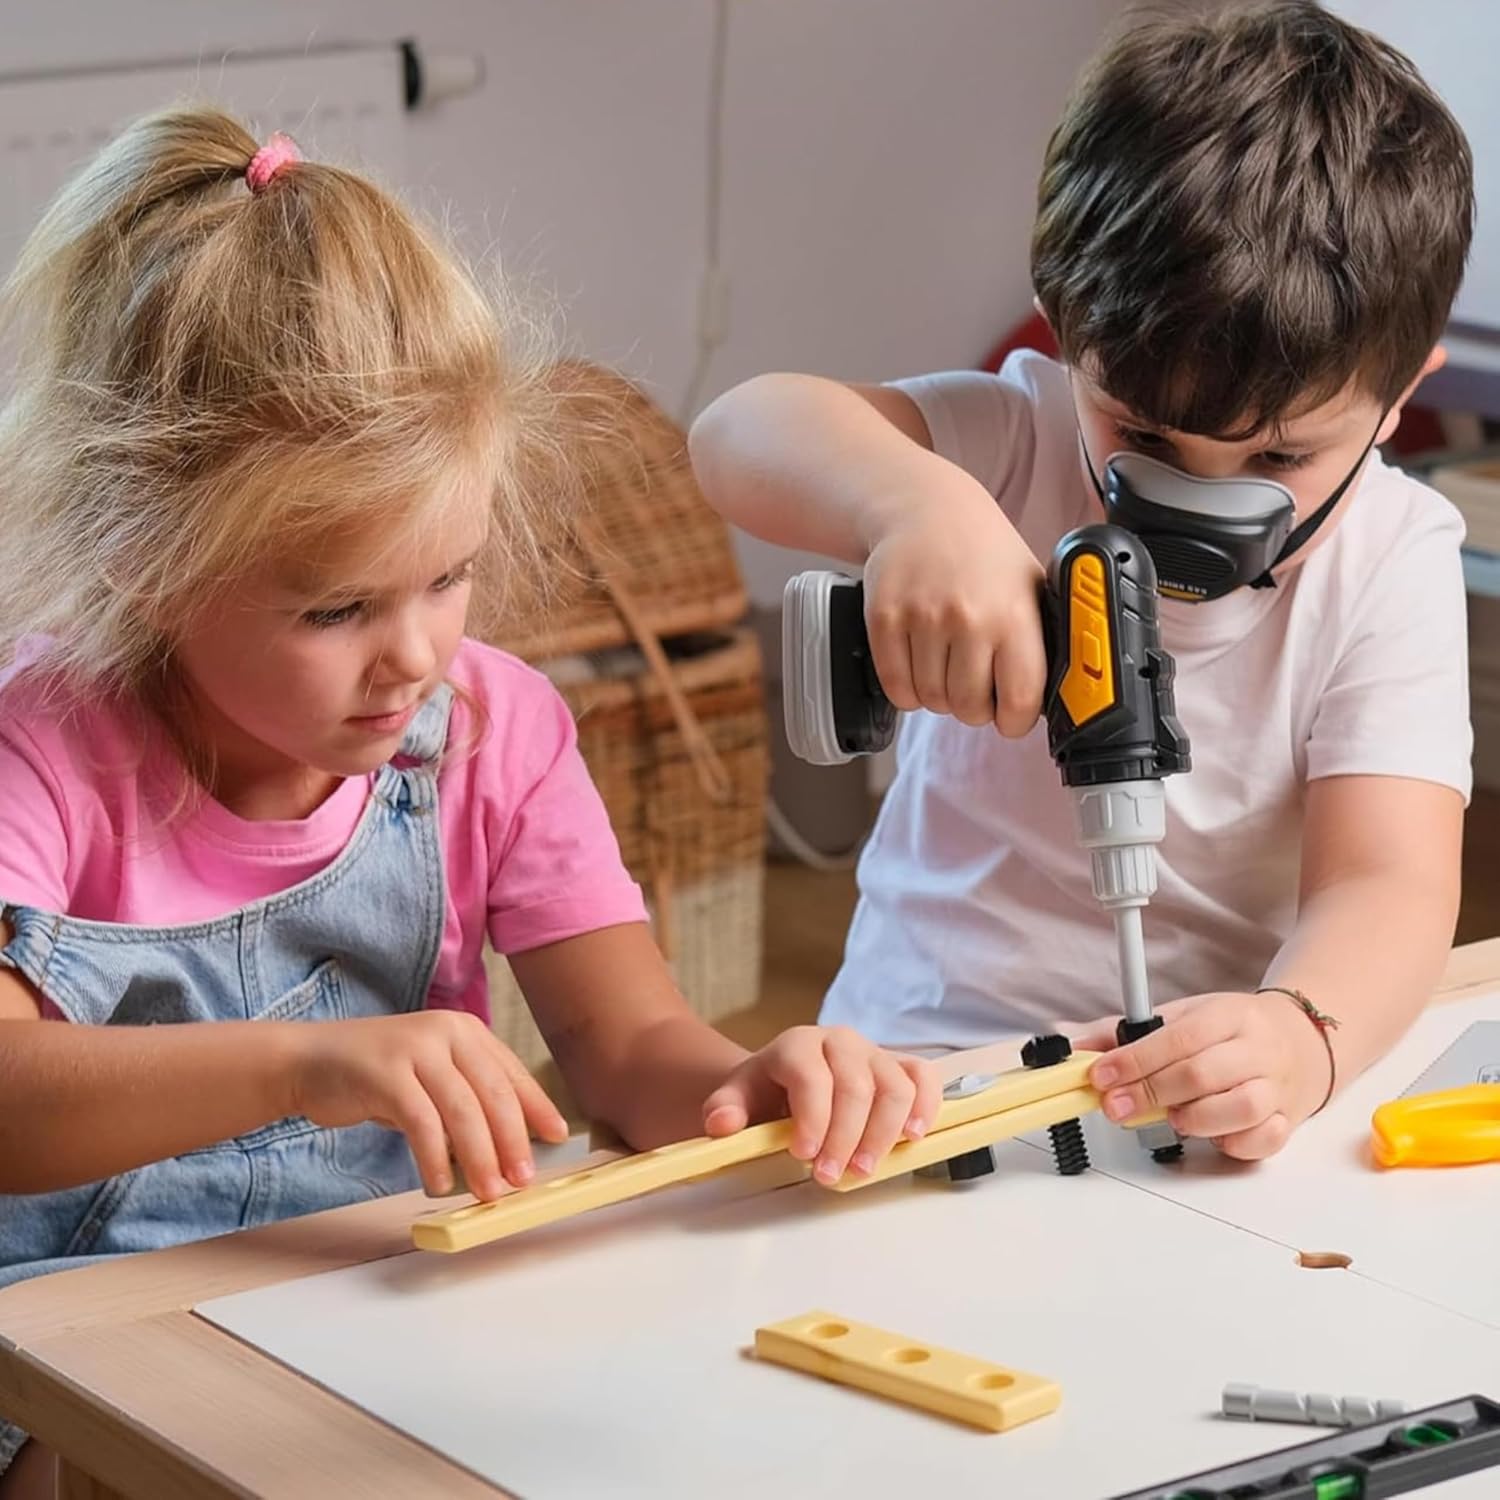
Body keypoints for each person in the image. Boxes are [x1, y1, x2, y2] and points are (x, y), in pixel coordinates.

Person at [0, 109, 939, 1495]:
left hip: (381, 1293)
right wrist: (306, 1065)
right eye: (339, 608)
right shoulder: (47, 744)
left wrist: (750, 1087)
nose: (421, 654)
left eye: (449, 575)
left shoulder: (493, 729)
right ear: (151, 567)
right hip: (65, 1345)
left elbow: (626, 1047)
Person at [691, 1, 1473, 1165]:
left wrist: (1301, 1036)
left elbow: (1390, 884)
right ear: (1067, 336)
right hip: (911, 1085)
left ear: (1404, 391)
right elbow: (737, 429)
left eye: (1278, 460)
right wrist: (918, 505)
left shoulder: (1389, 558)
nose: (1200, 500)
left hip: (1192, 1101)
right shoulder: (1008, 443)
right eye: (1144, 436)